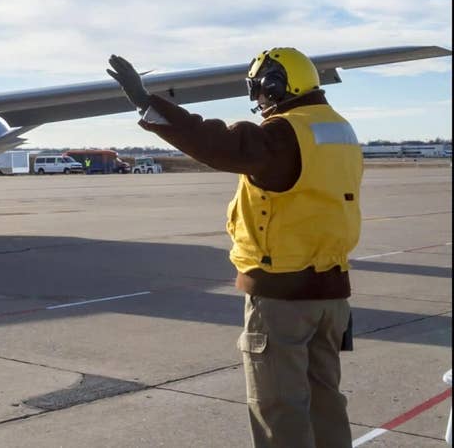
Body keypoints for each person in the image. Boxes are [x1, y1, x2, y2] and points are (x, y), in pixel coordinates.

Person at [107, 48, 361, 448]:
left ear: (277, 86)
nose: (257, 100)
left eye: (259, 89)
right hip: (331, 298)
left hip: (283, 298)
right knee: (325, 400)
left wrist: (148, 103)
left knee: (280, 406)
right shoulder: (339, 130)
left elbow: (217, 143)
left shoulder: (283, 133)